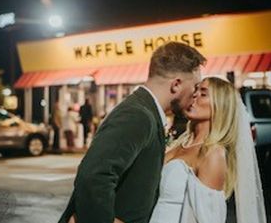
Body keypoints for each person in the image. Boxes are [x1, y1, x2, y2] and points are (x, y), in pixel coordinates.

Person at [58, 42, 205, 223]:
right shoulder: (137, 115)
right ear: (176, 85)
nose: (196, 94)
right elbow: (94, 176)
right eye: (195, 86)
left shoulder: (146, 112)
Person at [149, 77, 266, 223]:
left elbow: (206, 218)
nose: (194, 95)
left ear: (220, 106)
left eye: (203, 94)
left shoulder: (213, 153)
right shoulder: (180, 143)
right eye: (196, 90)